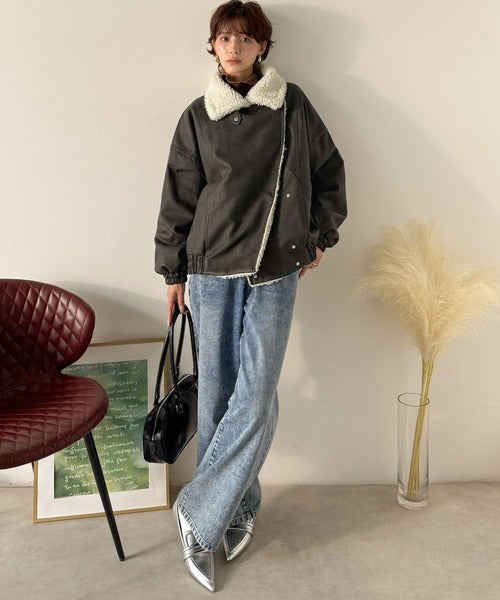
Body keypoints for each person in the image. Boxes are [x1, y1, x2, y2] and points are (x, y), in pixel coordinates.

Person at [154, 0, 346, 592]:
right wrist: (172, 273)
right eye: (223, 38)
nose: (233, 47)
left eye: (244, 37)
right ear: (212, 47)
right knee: (218, 396)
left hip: (275, 268)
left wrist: (319, 235)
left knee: (256, 396)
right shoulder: (197, 116)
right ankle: (237, 507)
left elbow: (329, 172)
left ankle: (197, 513)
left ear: (263, 46)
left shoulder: (292, 106)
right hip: (211, 270)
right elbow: (179, 197)